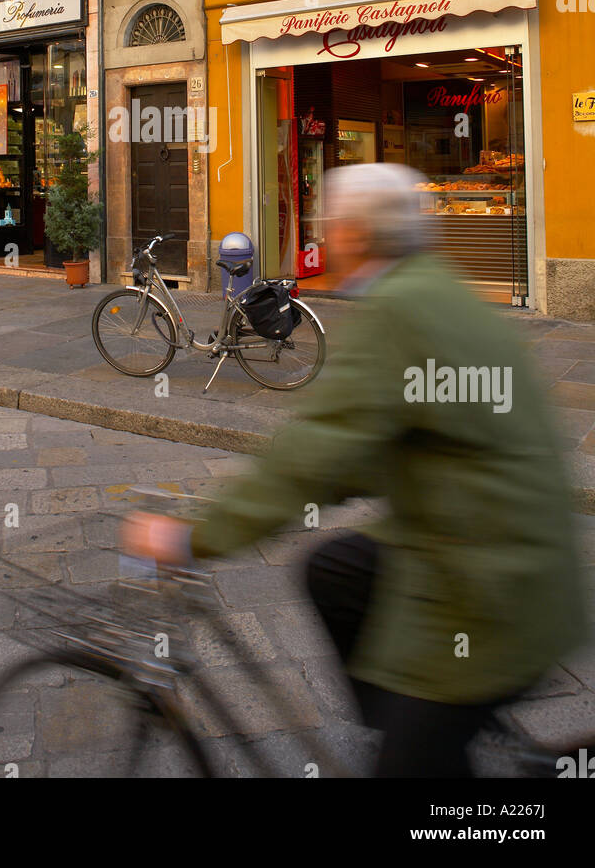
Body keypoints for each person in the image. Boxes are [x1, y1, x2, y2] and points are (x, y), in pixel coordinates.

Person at [124, 163, 587, 777]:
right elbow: (377, 440)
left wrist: (194, 537)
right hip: (499, 544)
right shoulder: (434, 289)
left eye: (333, 223)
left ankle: (423, 747)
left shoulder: (401, 312)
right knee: (335, 568)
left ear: (359, 234)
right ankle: (397, 725)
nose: (324, 234)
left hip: (488, 587)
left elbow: (317, 452)